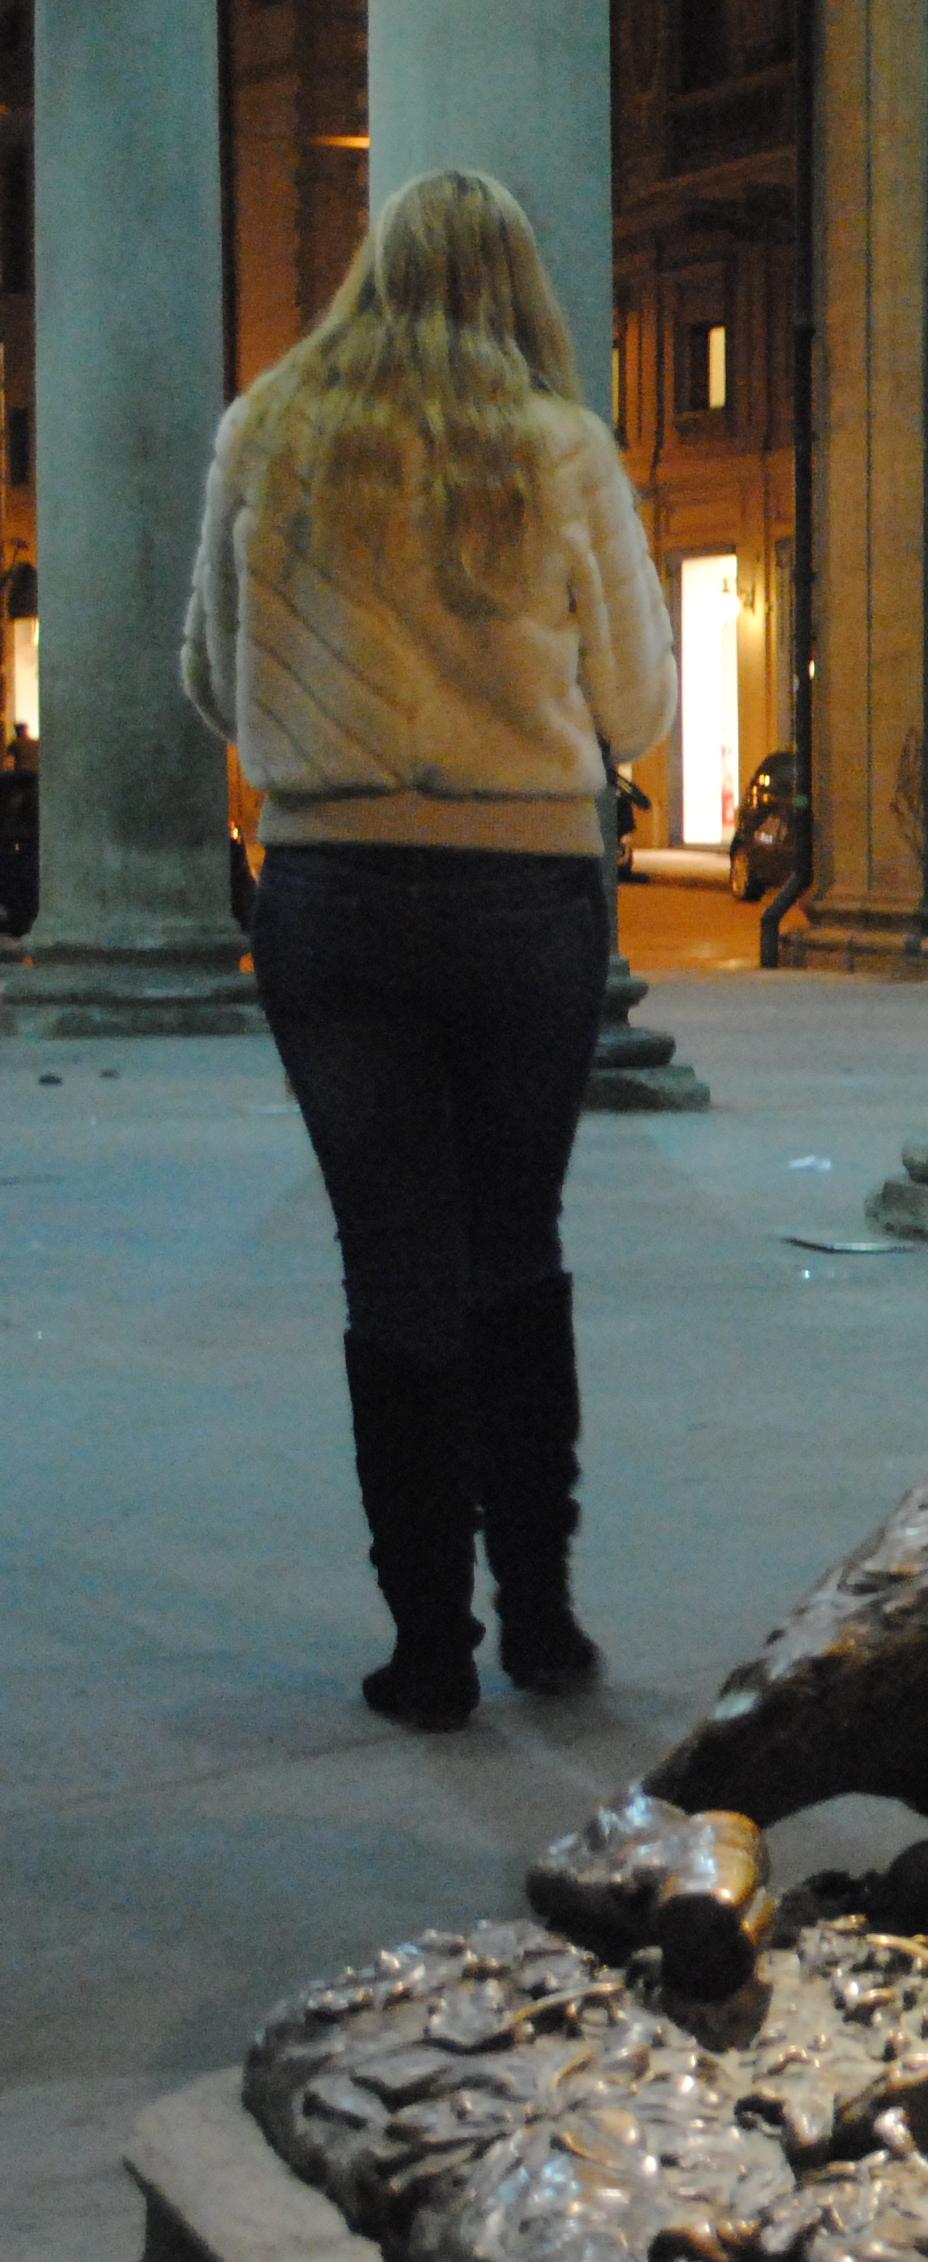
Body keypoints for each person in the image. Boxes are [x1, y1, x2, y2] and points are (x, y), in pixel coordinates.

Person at [181, 170, 673, 1731]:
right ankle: (538, 1615)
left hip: (331, 888)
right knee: (513, 1244)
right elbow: (647, 706)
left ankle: (425, 1646)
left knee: (389, 1260)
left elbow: (208, 673)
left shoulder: (269, 430)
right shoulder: (557, 447)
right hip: (525, 893)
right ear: (517, 288)